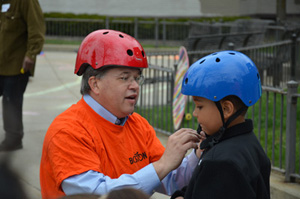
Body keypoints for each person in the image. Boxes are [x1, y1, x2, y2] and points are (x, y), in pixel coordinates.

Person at [40, 29, 201, 199]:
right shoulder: (68, 131)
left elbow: (171, 180)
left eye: (137, 78)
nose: (135, 86)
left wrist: (198, 154)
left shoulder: (137, 124)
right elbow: (97, 194)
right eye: (125, 78)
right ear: (95, 84)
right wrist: (162, 165)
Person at [171, 50, 271, 199]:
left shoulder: (219, 163)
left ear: (226, 109)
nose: (195, 113)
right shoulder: (249, 143)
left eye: (199, 106)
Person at [0, 0, 45, 151]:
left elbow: (36, 29)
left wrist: (31, 54)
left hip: (15, 64)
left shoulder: (26, 2)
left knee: (10, 101)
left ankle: (13, 139)